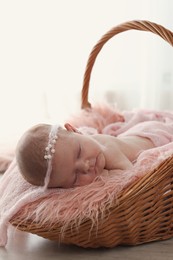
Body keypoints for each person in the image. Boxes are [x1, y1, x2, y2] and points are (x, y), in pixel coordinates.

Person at [16, 120, 173, 189]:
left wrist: (104, 176)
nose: (86, 166)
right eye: (75, 177)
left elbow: (131, 175)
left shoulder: (107, 149)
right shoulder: (79, 145)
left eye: (79, 153)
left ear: (74, 130)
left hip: (154, 136)